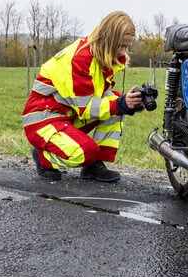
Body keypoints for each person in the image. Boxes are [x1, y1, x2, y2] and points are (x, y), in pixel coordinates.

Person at [21, 10, 149, 183]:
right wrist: (120, 104)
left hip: (67, 114)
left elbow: (101, 96)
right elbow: (86, 107)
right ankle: (44, 158)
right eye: (121, 46)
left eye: (127, 47)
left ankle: (94, 166)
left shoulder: (100, 55)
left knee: (115, 100)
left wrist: (129, 102)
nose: (123, 52)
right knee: (86, 151)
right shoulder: (81, 59)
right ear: (109, 39)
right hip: (42, 120)